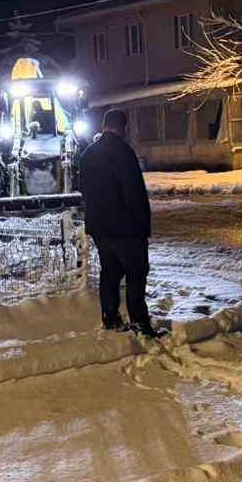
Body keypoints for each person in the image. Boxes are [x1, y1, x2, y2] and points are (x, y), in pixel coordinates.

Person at [77, 108, 159, 336]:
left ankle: (110, 317)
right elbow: (133, 192)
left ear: (104, 125)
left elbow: (84, 189)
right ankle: (139, 321)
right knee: (136, 272)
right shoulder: (123, 152)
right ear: (123, 127)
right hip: (126, 226)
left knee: (110, 272)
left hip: (100, 227)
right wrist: (142, 224)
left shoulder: (88, 154)